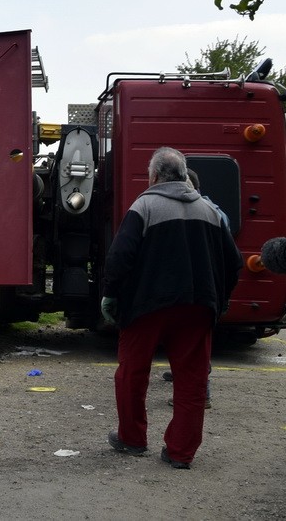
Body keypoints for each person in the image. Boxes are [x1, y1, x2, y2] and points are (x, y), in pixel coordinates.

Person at [100, 147, 242, 469]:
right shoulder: (209, 211)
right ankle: (181, 452)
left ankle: (132, 439)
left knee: (133, 373)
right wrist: (219, 300)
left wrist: (111, 294)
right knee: (191, 381)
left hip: (146, 307)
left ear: (153, 177)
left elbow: (120, 258)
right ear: (183, 174)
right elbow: (234, 264)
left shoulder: (144, 205)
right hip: (197, 306)